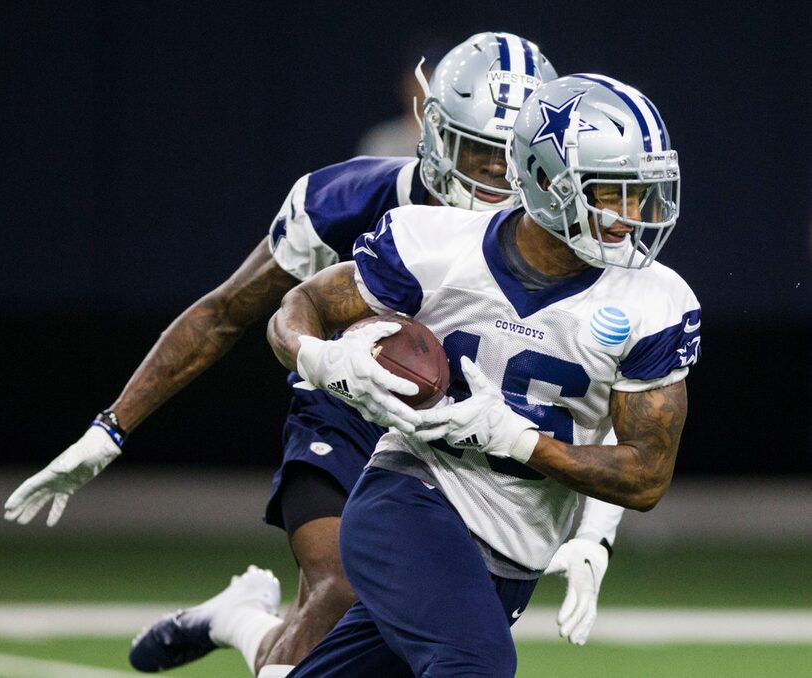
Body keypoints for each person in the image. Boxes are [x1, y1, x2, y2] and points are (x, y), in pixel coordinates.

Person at [2, 36, 617, 677]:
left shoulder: (556, 245)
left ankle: (236, 618)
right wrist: (113, 426)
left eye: (510, 158)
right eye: (480, 153)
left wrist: (593, 532)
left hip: (462, 451)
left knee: (356, 645)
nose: (496, 176)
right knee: (341, 588)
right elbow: (226, 313)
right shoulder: (344, 201)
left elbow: (611, 395)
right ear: (434, 131)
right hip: (346, 416)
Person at [264, 73, 699, 677]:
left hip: (514, 553)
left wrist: (520, 442)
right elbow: (297, 308)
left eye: (642, 193)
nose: (633, 216)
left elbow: (647, 476)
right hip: (410, 500)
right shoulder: (437, 243)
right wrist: (321, 358)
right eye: (611, 193)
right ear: (548, 181)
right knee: (476, 666)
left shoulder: (655, 303)